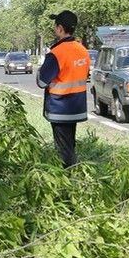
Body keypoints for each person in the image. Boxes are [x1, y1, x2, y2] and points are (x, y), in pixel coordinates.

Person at [36, 10, 90, 167]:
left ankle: (67, 178)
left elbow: (41, 82)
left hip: (60, 108)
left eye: (55, 27)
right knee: (69, 145)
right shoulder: (83, 50)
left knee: (62, 150)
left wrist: (42, 68)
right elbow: (83, 74)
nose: (54, 29)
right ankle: (72, 173)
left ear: (60, 28)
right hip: (77, 106)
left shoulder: (57, 53)